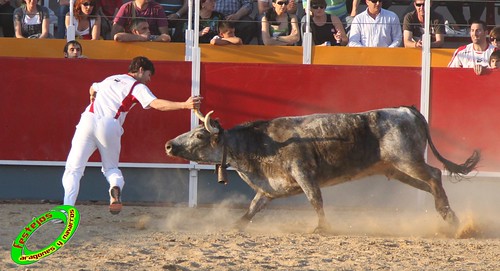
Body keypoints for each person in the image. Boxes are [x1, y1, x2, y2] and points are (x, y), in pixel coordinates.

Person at [62, 56, 202, 214]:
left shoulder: (111, 78)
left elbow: (93, 87)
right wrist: (184, 105)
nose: (149, 80)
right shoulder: (137, 87)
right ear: (141, 70)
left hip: (87, 120)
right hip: (109, 124)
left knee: (73, 169)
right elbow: (157, 104)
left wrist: (92, 97)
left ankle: (66, 210)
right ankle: (114, 187)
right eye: (149, 75)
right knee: (111, 169)